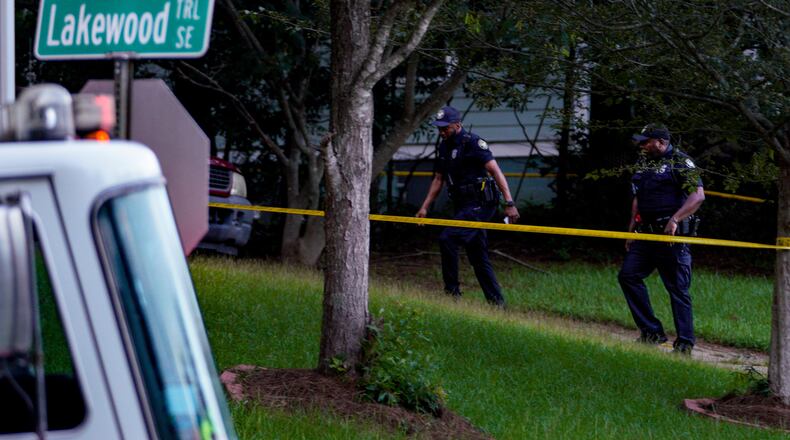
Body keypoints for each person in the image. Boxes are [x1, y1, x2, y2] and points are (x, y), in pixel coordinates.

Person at [416, 106, 520, 307]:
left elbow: (496, 172)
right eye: (439, 128)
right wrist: (425, 207)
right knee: (478, 256)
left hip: (481, 204)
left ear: (457, 124)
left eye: (445, 128)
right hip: (462, 205)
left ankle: (451, 295)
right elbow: (438, 179)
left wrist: (509, 203)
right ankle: (498, 304)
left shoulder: (472, 143)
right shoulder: (444, 146)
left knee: (447, 238)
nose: (442, 132)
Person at [618, 123, 705, 355]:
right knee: (628, 276)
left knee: (677, 289)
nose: (642, 145)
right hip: (645, 235)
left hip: (671, 238)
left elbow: (698, 196)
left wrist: (676, 219)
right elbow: (638, 198)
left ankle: (685, 343)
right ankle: (651, 332)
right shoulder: (645, 162)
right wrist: (631, 229)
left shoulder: (680, 161)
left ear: (661, 142)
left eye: (646, 141)